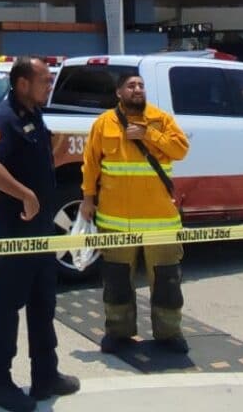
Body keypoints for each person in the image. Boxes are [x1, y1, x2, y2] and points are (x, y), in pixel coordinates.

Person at [0, 56, 79, 412]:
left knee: (42, 301)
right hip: (17, 225)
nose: (49, 86)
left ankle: (45, 375)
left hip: (41, 227)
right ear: (23, 84)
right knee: (8, 304)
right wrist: (26, 193)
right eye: (44, 81)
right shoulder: (4, 117)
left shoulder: (32, 112)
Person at [79, 72, 191, 354]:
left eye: (141, 85)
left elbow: (180, 150)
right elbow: (91, 163)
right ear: (119, 92)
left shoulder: (161, 119)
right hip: (116, 221)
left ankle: (169, 333)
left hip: (160, 222)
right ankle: (118, 333)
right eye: (131, 86)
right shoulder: (104, 124)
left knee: (166, 281)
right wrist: (87, 199)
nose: (137, 89)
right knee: (116, 281)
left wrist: (147, 134)